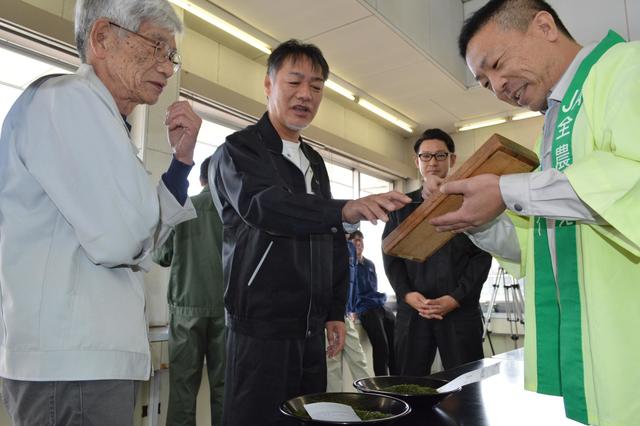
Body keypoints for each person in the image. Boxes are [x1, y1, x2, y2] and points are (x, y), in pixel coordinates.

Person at [429, 1, 640, 424]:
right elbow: (540, 243)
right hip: (595, 345)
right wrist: (476, 222)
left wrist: (508, 190)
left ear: (543, 26)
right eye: (485, 82)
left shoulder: (626, 66)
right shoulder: (553, 126)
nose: (497, 86)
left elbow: (630, 177)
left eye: (496, 64)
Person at [0, 0, 202, 424]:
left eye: (172, 55)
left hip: (91, 360)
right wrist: (141, 224)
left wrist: (181, 164)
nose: (167, 67)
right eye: (157, 46)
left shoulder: (106, 125)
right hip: (71, 364)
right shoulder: (67, 100)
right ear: (103, 38)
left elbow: (143, 237)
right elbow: (123, 239)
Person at [209, 39, 410, 426]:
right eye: (295, 82)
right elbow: (266, 207)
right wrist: (344, 209)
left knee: (307, 419)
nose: (306, 95)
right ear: (268, 85)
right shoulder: (238, 150)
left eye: (316, 87)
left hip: (311, 329)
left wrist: (334, 310)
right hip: (261, 327)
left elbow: (329, 235)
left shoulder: (313, 160)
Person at [382, 129, 492, 376]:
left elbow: (482, 256)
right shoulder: (402, 206)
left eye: (440, 155)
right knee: (406, 384)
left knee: (467, 384)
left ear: (452, 160)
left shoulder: (469, 201)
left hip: (459, 308)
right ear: (417, 161)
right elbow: (390, 256)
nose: (432, 162)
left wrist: (456, 298)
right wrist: (406, 294)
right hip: (414, 309)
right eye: (426, 156)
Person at [152, 156, 225, 426]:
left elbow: (162, 256)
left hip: (186, 309)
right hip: (226, 312)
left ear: (202, 179)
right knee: (225, 390)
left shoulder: (183, 209)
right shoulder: (234, 215)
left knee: (183, 390)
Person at [348, 231, 396, 376]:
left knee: (396, 343)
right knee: (382, 346)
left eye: (361, 240)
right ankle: (382, 384)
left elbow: (373, 288)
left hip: (378, 304)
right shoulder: (349, 266)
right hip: (364, 308)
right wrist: (352, 310)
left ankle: (397, 380)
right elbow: (350, 290)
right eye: (355, 240)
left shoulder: (369, 264)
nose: (358, 243)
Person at [326, 238, 370, 392]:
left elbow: (351, 281)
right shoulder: (325, 241)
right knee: (332, 361)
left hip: (345, 313)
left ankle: (370, 397)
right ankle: (333, 406)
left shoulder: (350, 247)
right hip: (327, 314)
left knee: (358, 359)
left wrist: (353, 307)